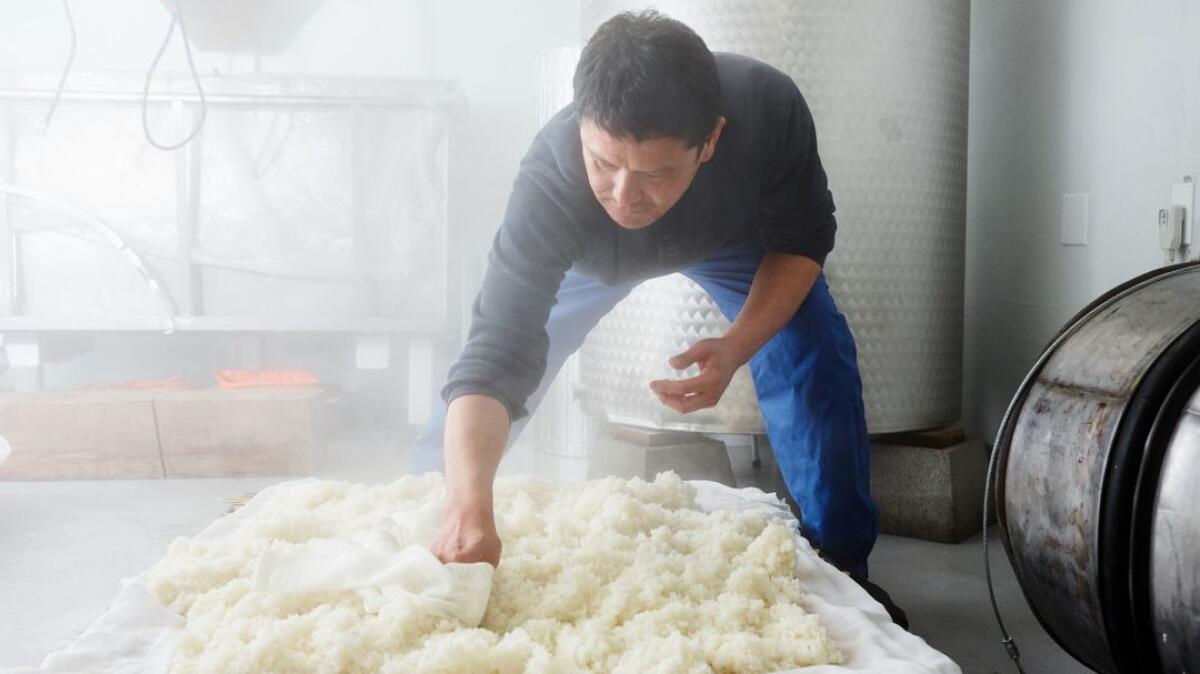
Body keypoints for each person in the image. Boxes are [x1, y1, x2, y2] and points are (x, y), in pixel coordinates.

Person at [412, 10, 907, 626]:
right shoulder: (550, 183)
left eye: (654, 172)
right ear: (583, 128)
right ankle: (425, 521)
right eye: (603, 163)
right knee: (503, 375)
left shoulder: (768, 107)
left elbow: (801, 242)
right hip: (593, 261)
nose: (624, 195)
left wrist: (735, 347)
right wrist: (467, 507)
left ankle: (841, 568)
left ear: (712, 141)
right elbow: (495, 355)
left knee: (814, 353)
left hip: (734, 243)